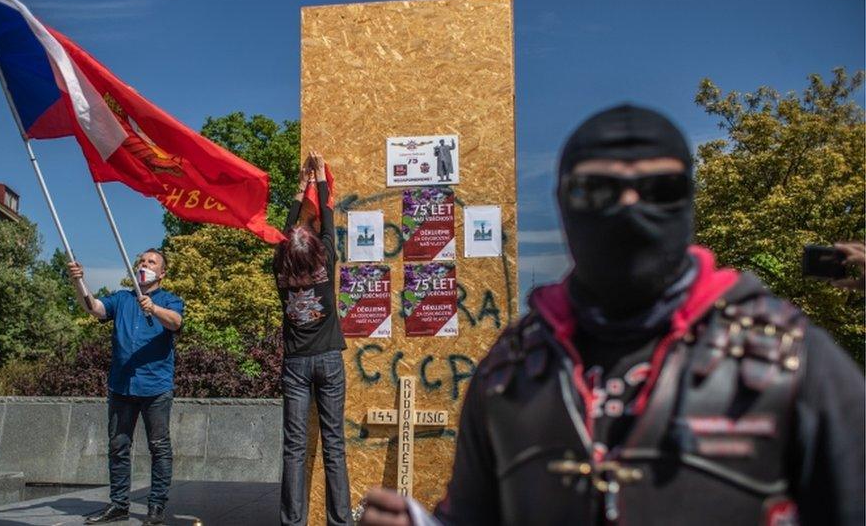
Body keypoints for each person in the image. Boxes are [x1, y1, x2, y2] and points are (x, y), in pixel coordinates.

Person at [359, 105, 865, 526]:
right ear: (563, 203)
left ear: (687, 201)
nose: (628, 207)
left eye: (659, 191)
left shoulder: (791, 363)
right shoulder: (510, 371)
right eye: (597, 191)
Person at [68, 249, 184, 525]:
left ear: (162, 273)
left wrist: (153, 309)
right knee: (118, 446)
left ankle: (156, 507)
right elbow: (94, 308)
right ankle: (119, 504)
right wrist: (78, 281)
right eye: (142, 261)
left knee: (159, 447)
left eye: (151, 262)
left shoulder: (170, 300)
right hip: (121, 386)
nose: (145, 265)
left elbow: (176, 322)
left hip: (155, 387)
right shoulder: (122, 298)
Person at [275, 151, 351, 526]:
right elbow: (329, 224)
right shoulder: (326, 264)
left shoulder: (279, 268)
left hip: (295, 364)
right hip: (329, 360)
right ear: (318, 251)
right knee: (334, 445)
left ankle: (293, 522)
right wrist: (318, 177)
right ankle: (340, 522)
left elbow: (285, 229)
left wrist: (300, 183)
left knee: (293, 448)